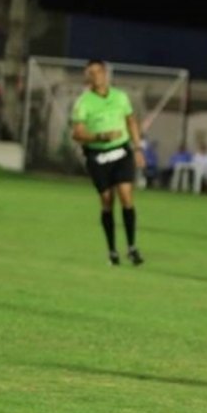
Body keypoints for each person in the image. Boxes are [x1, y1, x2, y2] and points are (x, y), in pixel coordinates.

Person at [69, 59, 145, 266]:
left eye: (98, 71)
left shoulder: (120, 97)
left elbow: (131, 121)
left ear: (105, 73)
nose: (95, 76)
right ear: (87, 77)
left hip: (121, 152)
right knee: (106, 200)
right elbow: (77, 133)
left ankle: (132, 247)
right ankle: (112, 250)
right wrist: (101, 136)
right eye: (91, 73)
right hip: (98, 155)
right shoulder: (83, 102)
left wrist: (138, 148)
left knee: (126, 196)